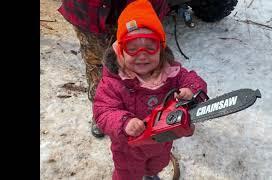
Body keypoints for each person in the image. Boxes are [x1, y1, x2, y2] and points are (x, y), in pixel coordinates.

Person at [93, 0, 207, 179]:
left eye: (150, 46)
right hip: (128, 148)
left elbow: (191, 79)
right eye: (132, 47)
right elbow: (103, 111)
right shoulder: (114, 82)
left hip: (162, 142)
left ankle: (151, 173)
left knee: (157, 164)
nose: (142, 55)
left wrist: (190, 90)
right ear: (120, 51)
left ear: (160, 48)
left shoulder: (171, 72)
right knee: (127, 174)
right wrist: (124, 123)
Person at [58, 0, 170, 138]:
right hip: (88, 12)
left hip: (142, 11)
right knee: (97, 65)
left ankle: (144, 110)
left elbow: (179, 75)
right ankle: (105, 113)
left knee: (144, 63)